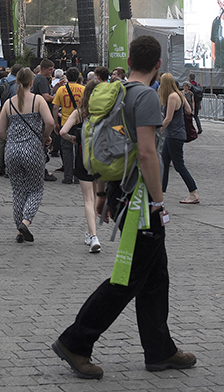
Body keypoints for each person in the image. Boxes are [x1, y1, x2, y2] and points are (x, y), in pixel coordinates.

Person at [53, 36, 195, 380]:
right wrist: (158, 201)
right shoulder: (145, 96)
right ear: (158, 65)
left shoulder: (116, 93)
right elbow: (146, 153)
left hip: (118, 191)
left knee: (156, 276)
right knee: (127, 278)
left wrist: (102, 193)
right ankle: (76, 341)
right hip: (140, 201)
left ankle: (160, 349)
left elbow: (106, 145)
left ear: (129, 61)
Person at [0, 66, 55, 243]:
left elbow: (0, 131)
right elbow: (50, 122)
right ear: (32, 82)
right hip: (32, 149)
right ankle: (25, 222)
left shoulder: (9, 103)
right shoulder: (38, 100)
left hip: (12, 151)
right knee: (36, 189)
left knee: (18, 191)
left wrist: (13, 139)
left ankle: (19, 231)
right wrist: (45, 136)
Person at [59, 79, 104, 253]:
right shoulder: (104, 112)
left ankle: (93, 235)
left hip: (83, 157)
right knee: (96, 195)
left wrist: (73, 139)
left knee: (88, 199)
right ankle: (90, 232)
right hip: (101, 157)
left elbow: (63, 131)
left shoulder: (79, 112)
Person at [158, 73, 198, 205]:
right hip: (175, 134)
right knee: (164, 162)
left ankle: (193, 192)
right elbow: (188, 110)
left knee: (179, 165)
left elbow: (168, 119)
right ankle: (160, 191)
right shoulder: (179, 95)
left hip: (174, 134)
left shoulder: (172, 97)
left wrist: (157, 132)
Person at [52, 67, 85, 185]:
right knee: (79, 150)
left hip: (65, 123)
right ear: (78, 77)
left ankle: (68, 177)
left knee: (66, 150)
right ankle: (78, 177)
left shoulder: (61, 90)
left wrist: (56, 122)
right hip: (80, 122)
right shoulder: (83, 89)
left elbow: (55, 107)